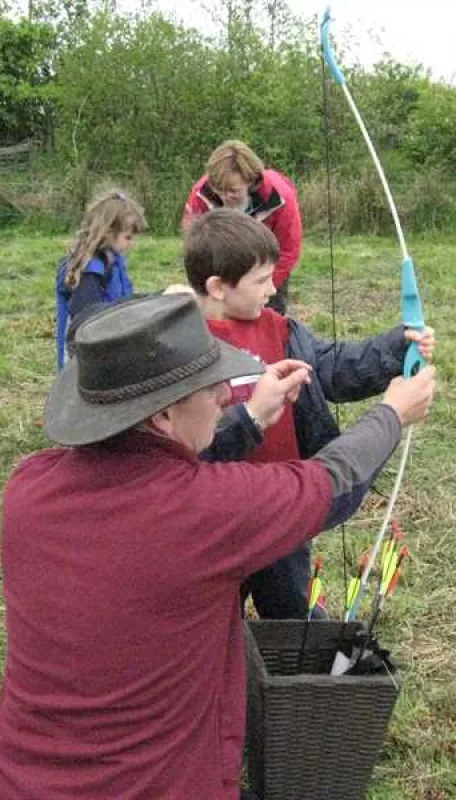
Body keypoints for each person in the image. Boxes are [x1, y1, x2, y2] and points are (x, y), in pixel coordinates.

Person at [0, 292, 436, 799]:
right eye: (211, 386)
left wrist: (255, 417)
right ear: (164, 418)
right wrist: (393, 413)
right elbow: (330, 480)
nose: (224, 395)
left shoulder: (28, 487)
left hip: (15, 779)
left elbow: (155, 473)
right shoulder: (209, 514)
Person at [184, 207, 435, 620]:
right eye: (261, 280)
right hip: (218, 521)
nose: (272, 288)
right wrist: (250, 414)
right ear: (218, 287)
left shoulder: (281, 331)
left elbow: (336, 366)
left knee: (290, 608)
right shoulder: (189, 348)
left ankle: (297, 677)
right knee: (212, 618)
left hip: (283, 508)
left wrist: (396, 348)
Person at [182, 140, 301, 314]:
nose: (224, 196)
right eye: (219, 190)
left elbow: (288, 250)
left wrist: (260, 285)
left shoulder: (281, 197)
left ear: (250, 181)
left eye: (233, 190)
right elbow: (193, 243)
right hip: (221, 267)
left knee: (268, 317)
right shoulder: (201, 192)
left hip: (266, 269)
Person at [55, 188, 147, 370]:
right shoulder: (90, 271)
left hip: (109, 344)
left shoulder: (114, 261)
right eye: (128, 237)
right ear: (107, 232)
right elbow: (86, 320)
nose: (132, 244)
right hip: (83, 360)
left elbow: (123, 300)